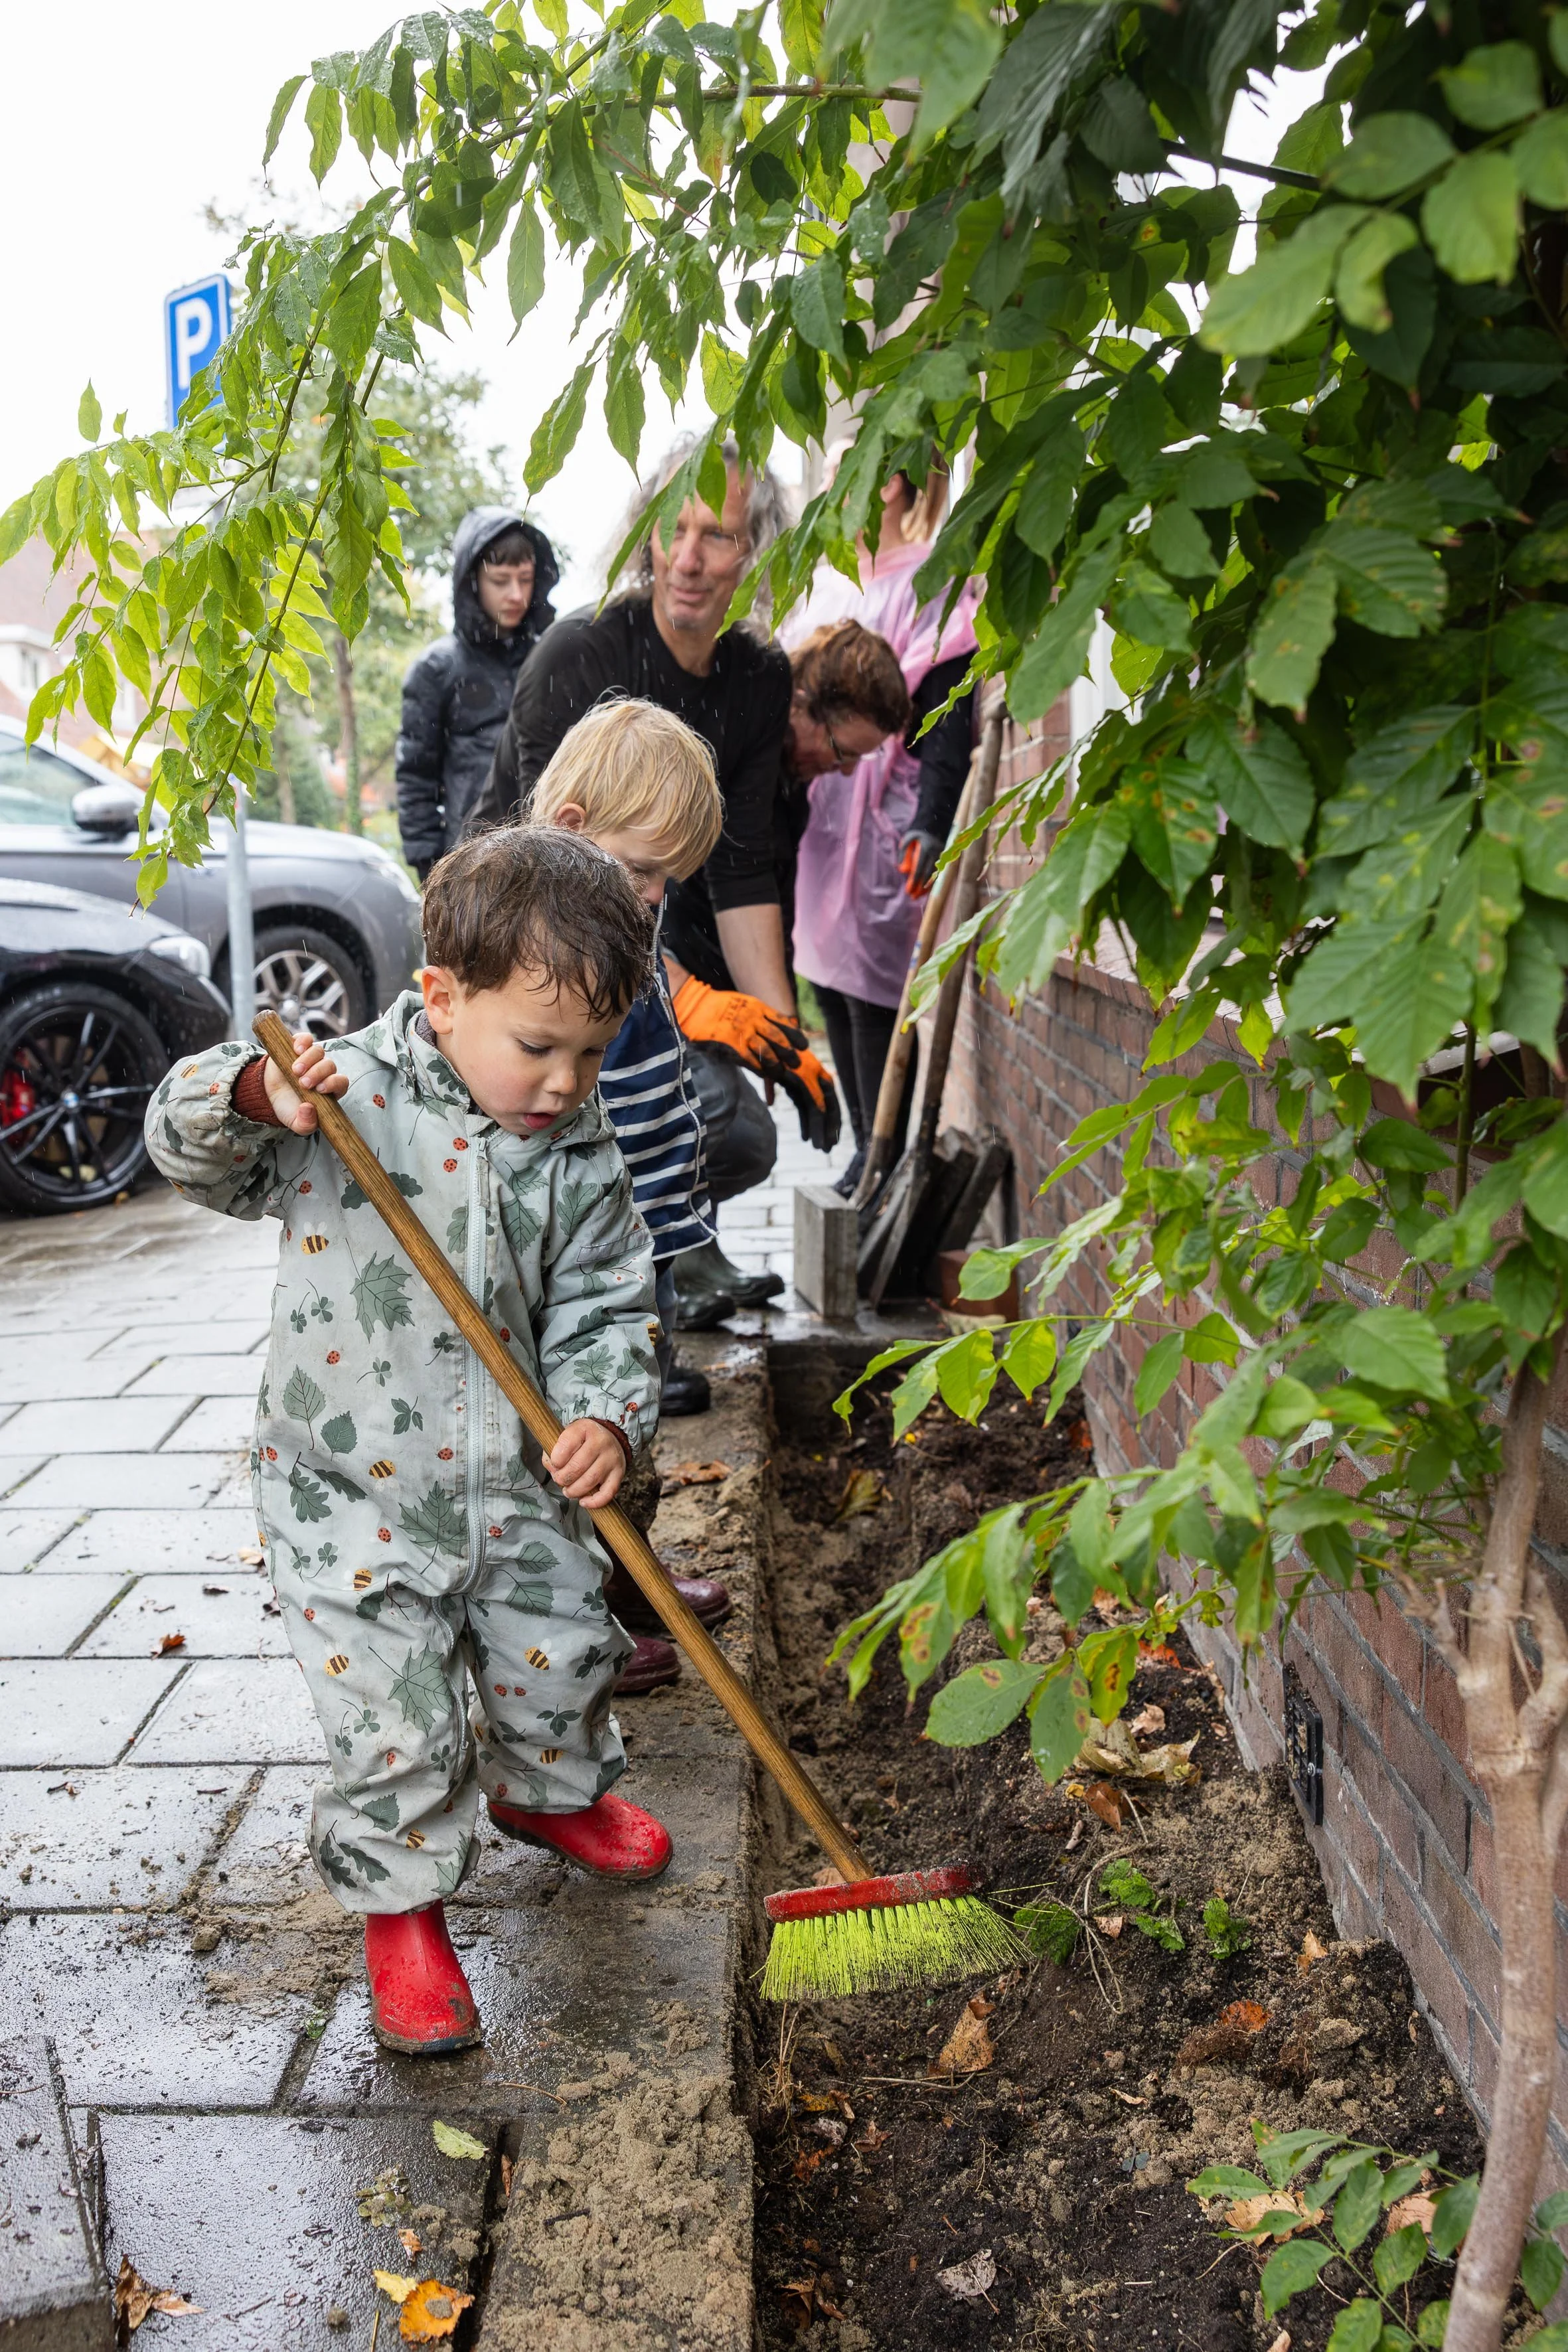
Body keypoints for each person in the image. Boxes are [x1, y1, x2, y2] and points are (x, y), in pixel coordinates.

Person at [144, 830, 672, 2059]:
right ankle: (405, 1913)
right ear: (441, 997)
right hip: (349, 1491)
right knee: (392, 1715)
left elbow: (606, 1299)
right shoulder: (339, 1098)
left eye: (591, 1053)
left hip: (520, 1481)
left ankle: (550, 1795)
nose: (563, 1080)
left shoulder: (578, 1146)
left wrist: (603, 1414)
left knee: (559, 1655)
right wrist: (251, 1093)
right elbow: (186, 1148)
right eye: (537, 1046)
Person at [467, 441, 841, 1320]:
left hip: (653, 935)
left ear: (755, 551)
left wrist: (780, 1034)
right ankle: (610, 1293)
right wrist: (700, 1009)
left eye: (717, 533)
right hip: (533, 940)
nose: (687, 557)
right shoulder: (583, 652)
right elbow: (565, 867)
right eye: (672, 528)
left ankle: (670, 1254)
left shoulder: (754, 676)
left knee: (740, 1132)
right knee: (684, 1103)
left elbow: (744, 866)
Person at [787, 473, 980, 1196]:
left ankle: (885, 1152)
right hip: (824, 815)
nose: (836, 487)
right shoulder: (831, 583)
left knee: (874, 989)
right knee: (830, 984)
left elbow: (946, 716)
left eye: (853, 472)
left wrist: (932, 820)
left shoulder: (928, 582)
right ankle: (865, 1153)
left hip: (882, 821)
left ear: (891, 485)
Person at [396, 508, 558, 880]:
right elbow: (415, 777)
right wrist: (433, 871)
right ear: (473, 582)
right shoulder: (435, 670)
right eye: (501, 580)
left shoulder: (550, 659)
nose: (516, 594)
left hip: (550, 865)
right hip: (469, 866)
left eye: (526, 579)